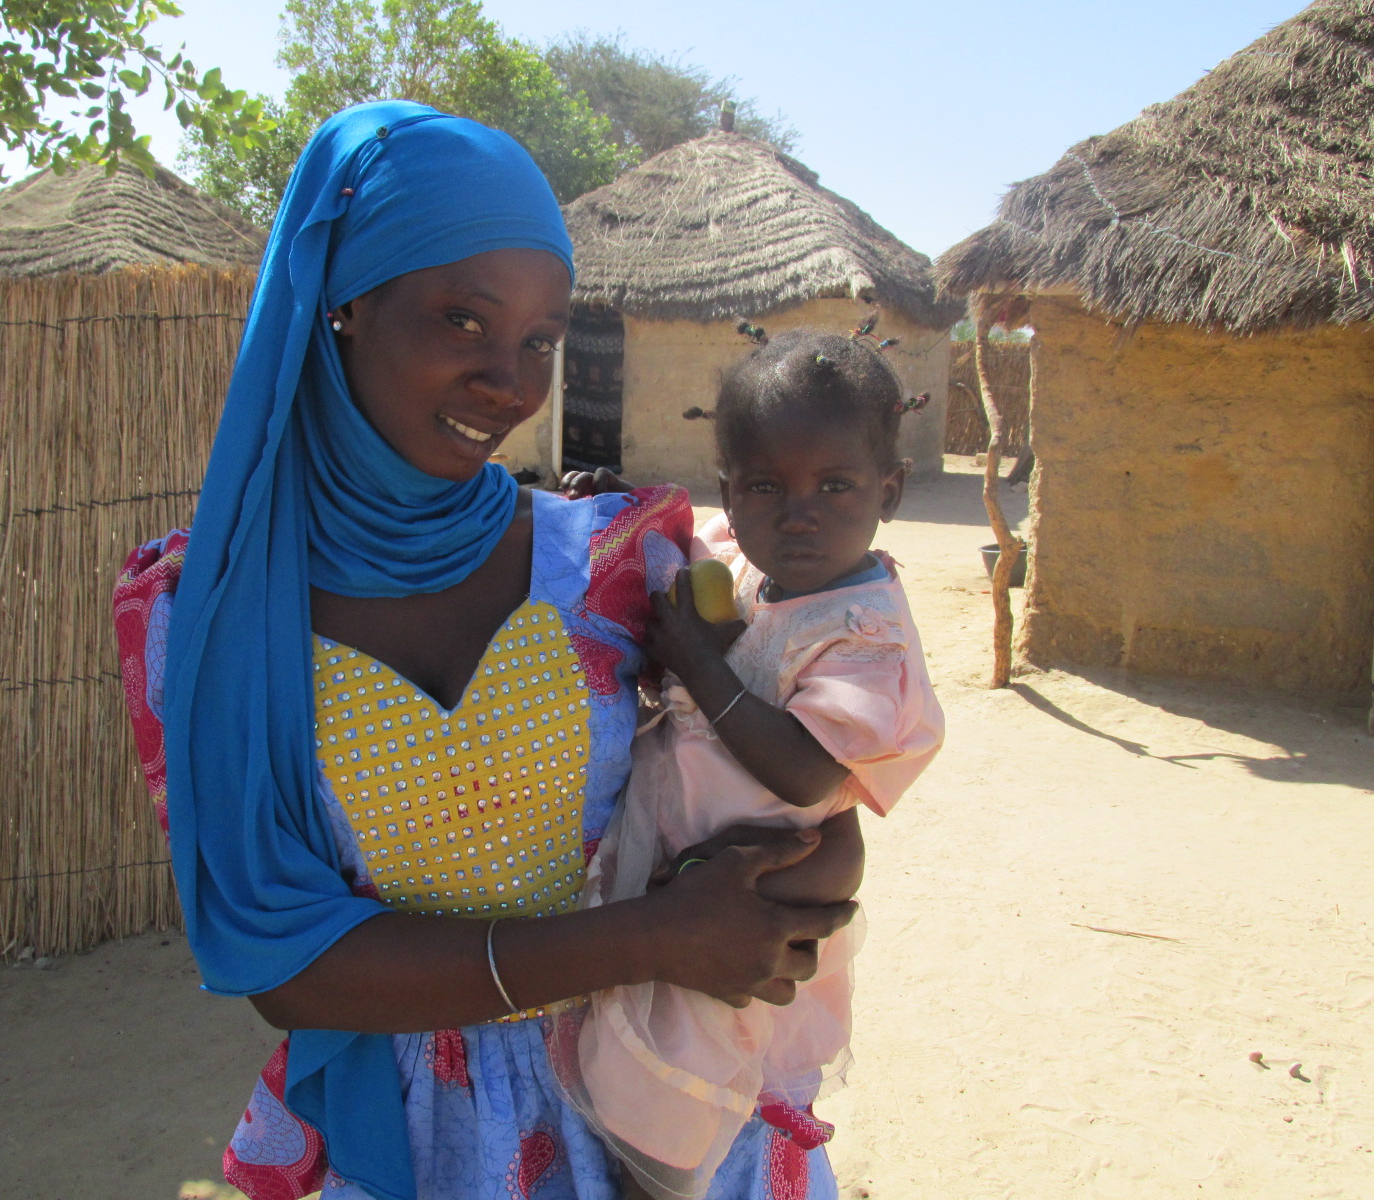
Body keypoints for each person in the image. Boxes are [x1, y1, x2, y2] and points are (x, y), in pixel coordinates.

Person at [111, 102, 859, 1200]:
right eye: (464, 321)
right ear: (346, 306)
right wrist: (650, 938)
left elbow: (791, 770)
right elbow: (287, 967)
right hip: (420, 1144)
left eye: (541, 341)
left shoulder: (621, 558)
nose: (510, 382)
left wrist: (794, 889)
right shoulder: (203, 615)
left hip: (659, 1110)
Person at [554, 329, 945, 1199]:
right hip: (679, 876)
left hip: (749, 906)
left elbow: (805, 772)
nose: (798, 511)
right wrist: (621, 507)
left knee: (688, 1106)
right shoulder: (746, 559)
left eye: (835, 485)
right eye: (767, 485)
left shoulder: (866, 632)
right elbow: (688, 558)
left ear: (890, 490)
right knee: (632, 1067)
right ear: (730, 486)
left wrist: (696, 662)